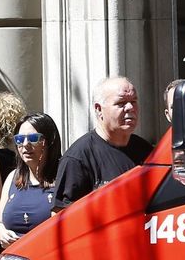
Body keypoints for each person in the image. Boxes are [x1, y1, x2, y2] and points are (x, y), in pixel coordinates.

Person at [53, 76, 151, 211]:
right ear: (99, 109)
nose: (130, 107)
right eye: (121, 103)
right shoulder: (78, 158)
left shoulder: (147, 151)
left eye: (134, 101)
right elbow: (61, 215)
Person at [0, 113, 61, 245]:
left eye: (33, 138)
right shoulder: (13, 177)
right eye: (19, 139)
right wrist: (2, 234)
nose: (25, 144)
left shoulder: (64, 177)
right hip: (13, 255)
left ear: (50, 141)